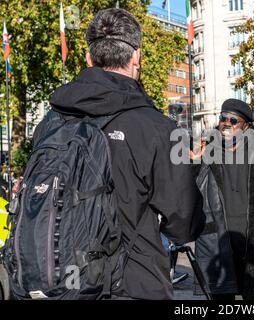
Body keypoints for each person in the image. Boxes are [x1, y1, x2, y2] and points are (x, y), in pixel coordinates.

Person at [42, 8, 204, 300]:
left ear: (89, 59)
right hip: (132, 281)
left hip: (57, 279)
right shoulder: (158, 128)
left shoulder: (50, 121)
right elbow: (183, 222)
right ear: (136, 57)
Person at [192, 98, 254, 300]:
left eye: (233, 120)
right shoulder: (207, 154)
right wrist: (194, 162)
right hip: (218, 245)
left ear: (246, 125)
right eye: (223, 118)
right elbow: (189, 193)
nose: (226, 124)